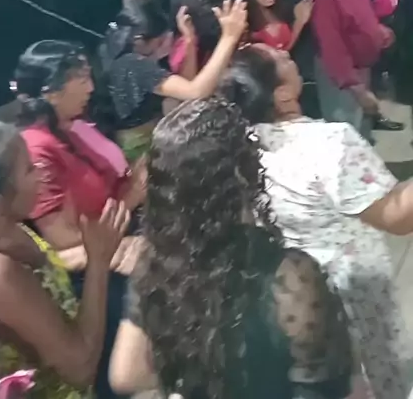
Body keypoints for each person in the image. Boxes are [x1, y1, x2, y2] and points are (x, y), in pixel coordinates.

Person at [109, 97, 353, 399]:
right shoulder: (288, 276)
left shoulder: (154, 263)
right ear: (242, 174)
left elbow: (125, 375)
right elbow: (325, 387)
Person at [219, 45, 413, 399]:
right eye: (281, 59)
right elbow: (397, 216)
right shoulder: (330, 143)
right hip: (353, 289)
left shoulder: (239, 144)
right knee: (374, 375)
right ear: (282, 94)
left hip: (294, 296)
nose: (286, 52)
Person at [0, 120, 129, 399]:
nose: (39, 172)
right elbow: (81, 368)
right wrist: (98, 260)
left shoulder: (2, 225)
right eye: (28, 169)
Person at [13, 40, 143, 399]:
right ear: (52, 92)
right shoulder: (37, 149)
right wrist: (131, 199)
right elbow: (65, 240)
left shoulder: (69, 129)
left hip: (117, 242)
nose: (90, 87)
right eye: (81, 79)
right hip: (94, 276)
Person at [98, 0, 246, 163]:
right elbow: (195, 92)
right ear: (139, 41)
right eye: (160, 42)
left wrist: (189, 41)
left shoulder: (136, 59)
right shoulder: (132, 64)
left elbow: (184, 95)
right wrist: (229, 38)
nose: (166, 45)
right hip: (139, 151)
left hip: (150, 138)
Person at [312, 0, 397, 139]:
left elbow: (360, 12)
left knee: (362, 125)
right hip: (343, 80)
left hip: (361, 69)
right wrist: (358, 89)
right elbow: (334, 51)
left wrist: (377, 30)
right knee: (347, 133)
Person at [168, 0, 222, 78]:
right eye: (209, 0)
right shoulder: (182, 46)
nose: (215, 4)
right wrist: (190, 40)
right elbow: (188, 83)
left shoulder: (212, 31)